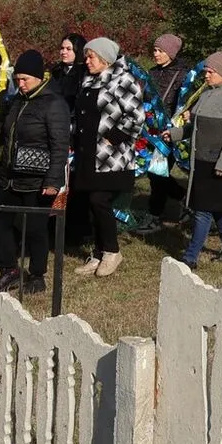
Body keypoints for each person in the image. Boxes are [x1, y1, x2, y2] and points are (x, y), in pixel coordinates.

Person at [0, 49, 71, 296]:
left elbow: (60, 144)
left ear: (39, 77)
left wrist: (53, 180)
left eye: (25, 79)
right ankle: (9, 269)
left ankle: (37, 274)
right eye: (17, 80)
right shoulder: (17, 102)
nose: (21, 84)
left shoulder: (54, 104)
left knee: (35, 228)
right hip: (10, 176)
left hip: (38, 179)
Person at [69, 38, 142, 278]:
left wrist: (113, 137)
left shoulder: (124, 80)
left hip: (111, 157)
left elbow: (136, 116)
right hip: (87, 153)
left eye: (91, 57)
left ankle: (112, 251)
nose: (86, 61)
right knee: (91, 202)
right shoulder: (88, 79)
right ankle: (98, 252)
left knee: (100, 200)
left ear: (105, 58)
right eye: (86, 56)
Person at [178, 52, 222, 268]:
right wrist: (176, 133)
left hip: (218, 164)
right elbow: (195, 127)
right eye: (205, 71)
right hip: (202, 161)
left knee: (202, 210)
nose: (205, 75)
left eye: (210, 71)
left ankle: (191, 257)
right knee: (216, 207)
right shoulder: (207, 93)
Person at [145, 34, 190, 225]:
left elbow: (187, 101)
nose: (156, 54)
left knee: (158, 173)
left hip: (170, 131)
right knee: (152, 171)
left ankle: (154, 215)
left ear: (171, 53)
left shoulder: (183, 75)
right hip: (151, 129)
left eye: (160, 51)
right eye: (154, 50)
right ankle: (186, 199)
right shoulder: (152, 73)